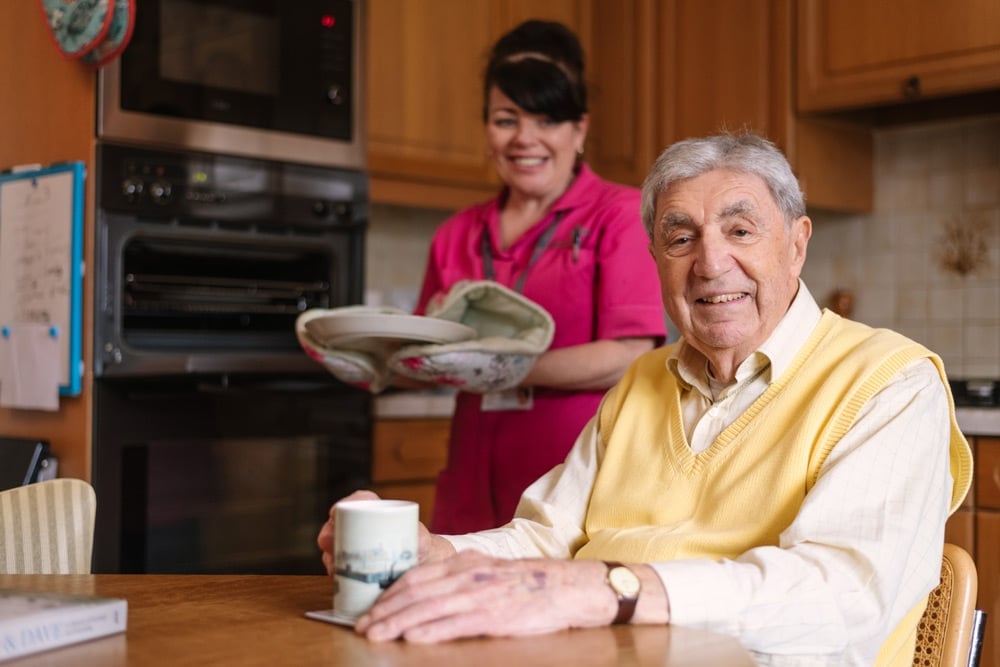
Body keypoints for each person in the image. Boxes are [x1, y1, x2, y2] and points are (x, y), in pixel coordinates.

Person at [319, 132, 974, 665]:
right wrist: (438, 553)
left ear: (797, 244)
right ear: (657, 255)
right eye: (680, 236)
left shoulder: (891, 382)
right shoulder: (642, 381)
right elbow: (548, 540)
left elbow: (843, 596)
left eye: (741, 231)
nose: (711, 262)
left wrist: (614, 588)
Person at [413, 20, 666, 534]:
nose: (524, 139)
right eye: (506, 120)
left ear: (580, 129)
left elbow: (630, 354)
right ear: (486, 129)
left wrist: (500, 368)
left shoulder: (618, 214)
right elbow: (423, 355)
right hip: (468, 492)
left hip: (572, 492)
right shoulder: (455, 234)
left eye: (546, 119)